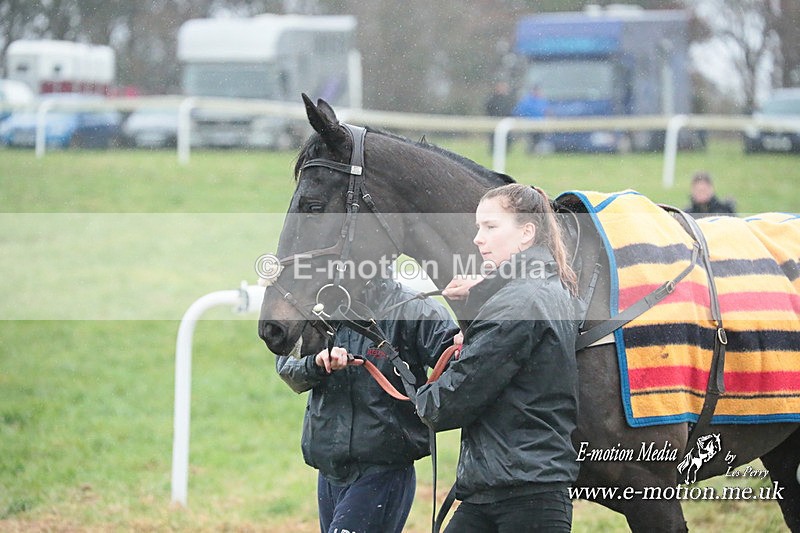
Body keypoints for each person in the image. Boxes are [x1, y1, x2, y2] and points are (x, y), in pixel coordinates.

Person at [415, 183, 581, 532]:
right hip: (502, 486)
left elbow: (453, 400)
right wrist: (476, 306)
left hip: (525, 496)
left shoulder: (519, 303)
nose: (478, 238)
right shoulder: (541, 288)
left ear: (526, 233)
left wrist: (419, 397)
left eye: (490, 227)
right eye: (478, 227)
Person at [276, 274, 459, 533]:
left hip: (384, 470)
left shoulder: (415, 309)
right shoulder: (316, 307)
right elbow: (285, 363)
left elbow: (461, 367)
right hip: (329, 468)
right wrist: (316, 362)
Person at [513, 85, 549, 153]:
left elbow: (546, 111)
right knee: (530, 140)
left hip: (540, 125)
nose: (538, 92)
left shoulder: (542, 101)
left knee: (538, 139)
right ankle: (530, 151)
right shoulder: (526, 101)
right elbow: (518, 111)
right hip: (529, 124)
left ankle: (536, 151)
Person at [485, 81, 516, 153]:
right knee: (494, 139)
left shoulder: (508, 99)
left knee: (508, 139)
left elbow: (511, 110)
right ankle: (493, 152)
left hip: (506, 123)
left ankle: (506, 152)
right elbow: (488, 108)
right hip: (494, 123)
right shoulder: (492, 99)